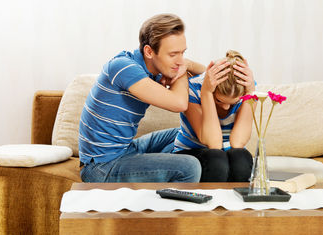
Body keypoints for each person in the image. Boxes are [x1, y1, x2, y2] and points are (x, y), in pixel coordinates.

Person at [79, 13, 205, 183]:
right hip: (101, 167)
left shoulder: (151, 70)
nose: (179, 60)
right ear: (149, 51)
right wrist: (183, 71)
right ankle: (167, 204)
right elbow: (179, 104)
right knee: (190, 167)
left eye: (182, 53)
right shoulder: (123, 67)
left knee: (188, 133)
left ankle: (163, 175)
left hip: (126, 150)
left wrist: (187, 64)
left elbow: (206, 77)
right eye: (173, 54)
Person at [173, 50, 255, 182]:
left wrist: (251, 93)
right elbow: (213, 143)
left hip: (226, 155)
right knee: (217, 159)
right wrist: (206, 93)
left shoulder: (245, 88)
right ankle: (212, 201)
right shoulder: (193, 89)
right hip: (193, 152)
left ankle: (236, 201)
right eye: (219, 101)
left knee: (242, 158)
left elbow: (238, 142)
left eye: (233, 103)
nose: (226, 108)